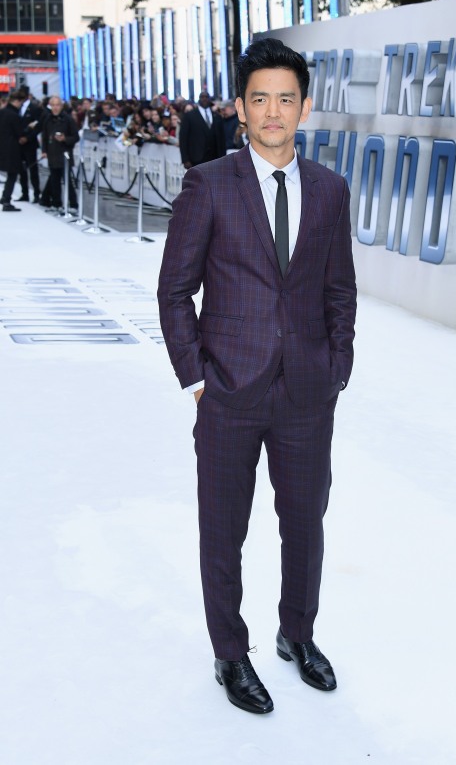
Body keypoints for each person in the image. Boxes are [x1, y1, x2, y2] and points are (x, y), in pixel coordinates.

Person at [158, 38, 357, 715]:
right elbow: (174, 290)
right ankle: (230, 652)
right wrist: (197, 378)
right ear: (241, 108)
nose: (274, 111)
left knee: (305, 522)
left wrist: (338, 365)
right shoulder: (209, 184)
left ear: (305, 105)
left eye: (287, 98)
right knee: (225, 528)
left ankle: (296, 634)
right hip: (228, 392)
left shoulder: (331, 191)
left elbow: (339, 289)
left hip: (307, 391)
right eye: (260, 98)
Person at [41, 96, 79, 212]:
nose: (55, 108)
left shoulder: (68, 119)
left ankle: (73, 204)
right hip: (52, 154)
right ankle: (56, 203)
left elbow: (76, 137)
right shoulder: (47, 119)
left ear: (61, 106)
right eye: (53, 105)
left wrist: (64, 139)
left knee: (67, 181)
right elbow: (45, 136)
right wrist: (44, 150)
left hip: (64, 154)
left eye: (57, 105)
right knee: (54, 181)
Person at [178, 90, 225, 169]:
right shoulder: (189, 116)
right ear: (199, 99)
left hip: (215, 158)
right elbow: (183, 138)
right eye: (202, 97)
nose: (204, 99)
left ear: (210, 99)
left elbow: (222, 139)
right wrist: (185, 159)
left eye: (206, 97)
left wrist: (224, 158)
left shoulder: (217, 116)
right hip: (196, 158)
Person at [0, 90, 26, 212]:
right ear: (17, 101)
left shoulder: (3, 112)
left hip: (3, 147)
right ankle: (6, 200)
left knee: (11, 174)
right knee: (12, 174)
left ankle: (5, 197)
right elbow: (19, 133)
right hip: (12, 149)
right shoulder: (14, 115)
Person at [17, 85, 43, 203]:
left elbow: (37, 127)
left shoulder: (34, 108)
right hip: (18, 144)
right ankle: (25, 193)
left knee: (33, 169)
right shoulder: (17, 108)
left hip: (30, 144)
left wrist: (27, 138)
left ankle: (37, 194)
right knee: (21, 170)